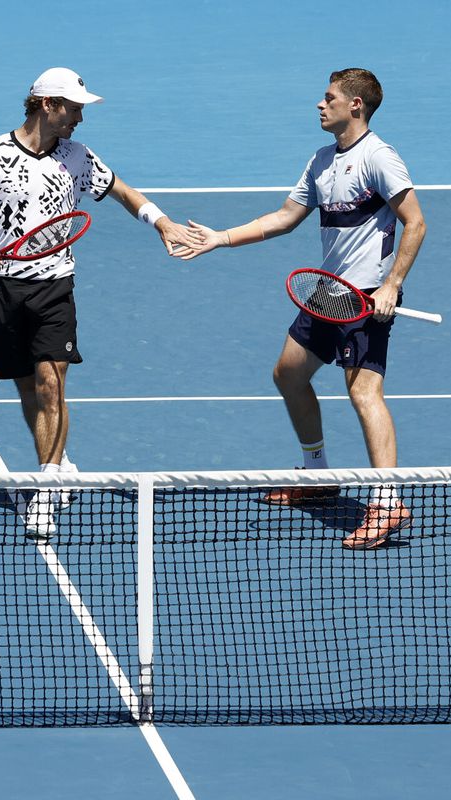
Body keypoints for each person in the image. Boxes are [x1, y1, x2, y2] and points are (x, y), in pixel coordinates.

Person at [177, 68, 427, 550]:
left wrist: (393, 284)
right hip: (329, 291)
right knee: (288, 374)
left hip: (367, 296)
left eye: (329, 97)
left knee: (364, 394)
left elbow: (415, 223)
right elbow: (285, 218)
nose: (320, 104)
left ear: (355, 105)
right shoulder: (320, 161)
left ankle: (388, 501)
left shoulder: (380, 158)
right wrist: (219, 239)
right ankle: (317, 473)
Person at [0, 67, 193, 540]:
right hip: (2, 288)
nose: (80, 117)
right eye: (74, 107)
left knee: (50, 384)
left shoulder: (78, 158)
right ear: (46, 105)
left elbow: (123, 192)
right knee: (28, 389)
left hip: (54, 286)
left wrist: (162, 224)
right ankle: (55, 463)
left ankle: (46, 487)